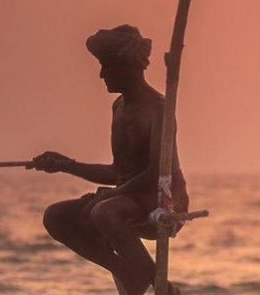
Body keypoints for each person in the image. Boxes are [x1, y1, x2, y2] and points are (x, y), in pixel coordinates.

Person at [27, 25, 191, 295]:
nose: (102, 74)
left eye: (107, 66)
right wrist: (66, 165)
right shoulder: (119, 108)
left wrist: (106, 197)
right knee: (55, 216)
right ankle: (126, 270)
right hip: (127, 196)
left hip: (164, 195)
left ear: (126, 67)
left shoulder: (159, 110)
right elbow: (119, 171)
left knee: (103, 211)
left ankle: (163, 288)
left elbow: (154, 174)